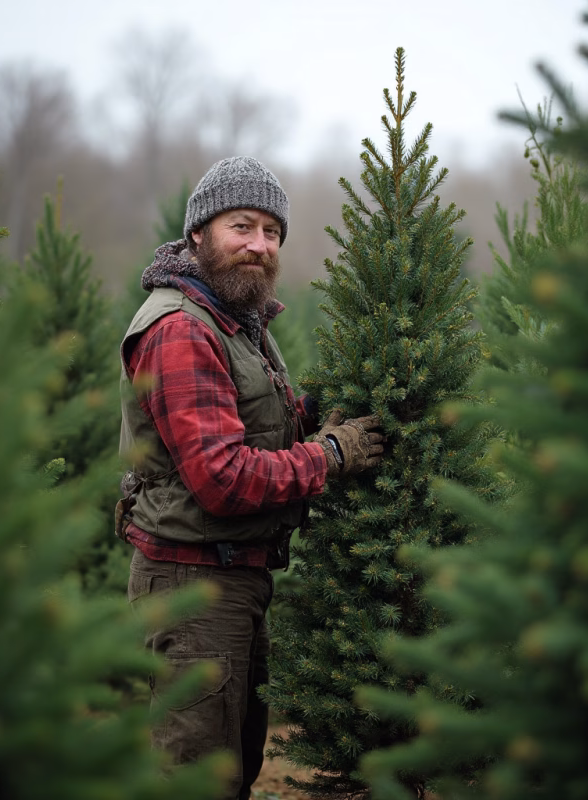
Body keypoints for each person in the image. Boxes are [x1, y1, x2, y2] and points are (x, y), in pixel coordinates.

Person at [117, 156, 385, 800]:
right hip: (193, 586)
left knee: (235, 766)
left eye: (271, 232)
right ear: (199, 233)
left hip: (234, 579)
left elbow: (249, 426)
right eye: (241, 226)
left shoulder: (238, 321)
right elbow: (222, 476)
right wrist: (331, 454)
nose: (258, 245)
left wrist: (316, 411)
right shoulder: (182, 329)